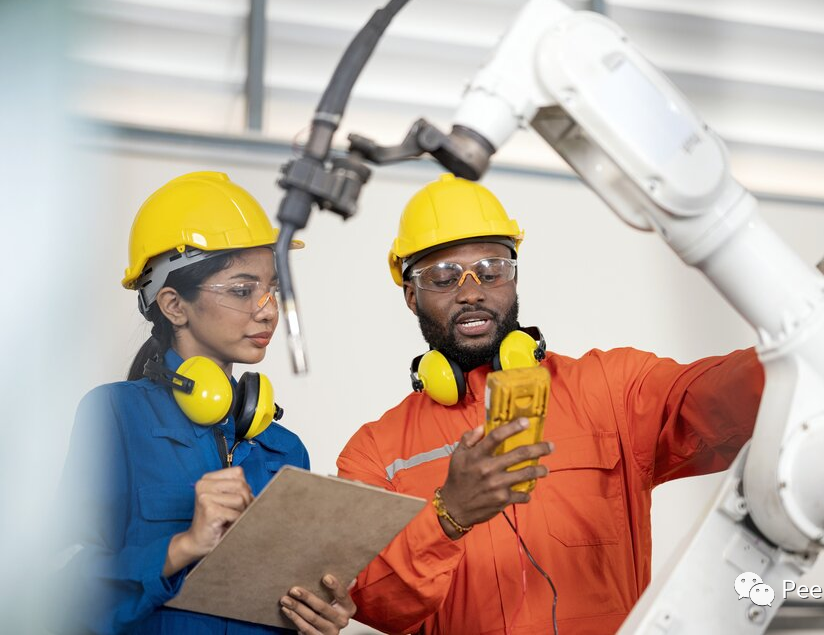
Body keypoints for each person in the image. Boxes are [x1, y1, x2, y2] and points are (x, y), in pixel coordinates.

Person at [332, 174, 765, 634]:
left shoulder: (611, 390)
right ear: (410, 296)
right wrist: (449, 515)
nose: (472, 290)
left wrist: (805, 339)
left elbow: (722, 402)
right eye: (443, 276)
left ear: (514, 278)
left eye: (492, 269)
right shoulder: (374, 454)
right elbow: (372, 600)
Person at [55, 172, 355, 635]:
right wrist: (184, 545)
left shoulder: (284, 449)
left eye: (271, 287)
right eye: (241, 289)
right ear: (174, 305)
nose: (268, 308)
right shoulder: (114, 417)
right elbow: (60, 602)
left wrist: (316, 619)